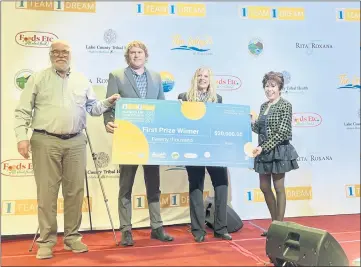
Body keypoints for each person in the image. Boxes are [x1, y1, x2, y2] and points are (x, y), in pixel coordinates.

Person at [14, 40, 120, 259]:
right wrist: (21, 138)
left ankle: (72, 238)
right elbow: (23, 111)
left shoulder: (81, 80)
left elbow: (93, 108)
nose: (60, 55)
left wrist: (108, 102)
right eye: (56, 52)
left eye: (64, 52)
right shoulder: (38, 78)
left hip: (75, 142)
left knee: (74, 192)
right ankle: (47, 241)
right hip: (45, 141)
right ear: (50, 55)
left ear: (70, 55)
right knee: (47, 193)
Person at [103, 40, 174, 246]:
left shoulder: (156, 76)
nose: (136, 55)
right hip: (127, 139)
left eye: (140, 52)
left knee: (154, 184)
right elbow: (109, 106)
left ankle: (157, 227)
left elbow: (161, 108)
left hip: (151, 140)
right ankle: (126, 230)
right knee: (126, 186)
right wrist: (108, 122)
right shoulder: (116, 75)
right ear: (128, 56)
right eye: (132, 52)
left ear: (146, 55)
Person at [178, 67, 232, 242]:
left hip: (214, 148)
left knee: (222, 184)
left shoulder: (218, 99)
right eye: (199, 76)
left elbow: (222, 123)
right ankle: (198, 230)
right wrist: (177, 110)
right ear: (195, 78)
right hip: (193, 148)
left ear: (211, 79)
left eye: (206, 76)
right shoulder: (183, 97)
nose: (202, 78)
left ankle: (221, 228)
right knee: (196, 187)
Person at [251, 71, 299, 236]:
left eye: (273, 86)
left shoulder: (286, 105)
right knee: (264, 187)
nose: (269, 89)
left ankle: (280, 228)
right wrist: (252, 121)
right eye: (267, 86)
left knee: (279, 188)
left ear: (279, 88)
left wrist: (264, 147)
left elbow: (283, 132)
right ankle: (275, 223)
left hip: (278, 150)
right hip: (263, 150)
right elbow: (258, 129)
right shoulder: (264, 106)